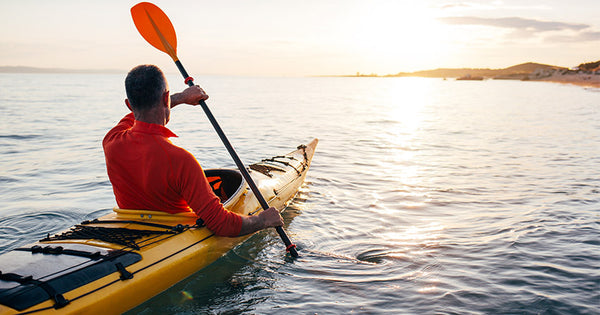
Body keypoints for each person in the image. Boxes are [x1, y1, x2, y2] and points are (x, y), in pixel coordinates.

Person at [103, 64, 283, 237]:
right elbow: (221, 224)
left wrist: (179, 98)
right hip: (173, 236)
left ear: (128, 104)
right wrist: (262, 220)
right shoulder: (180, 160)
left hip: (131, 231)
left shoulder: (111, 141)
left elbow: (131, 118)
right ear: (165, 97)